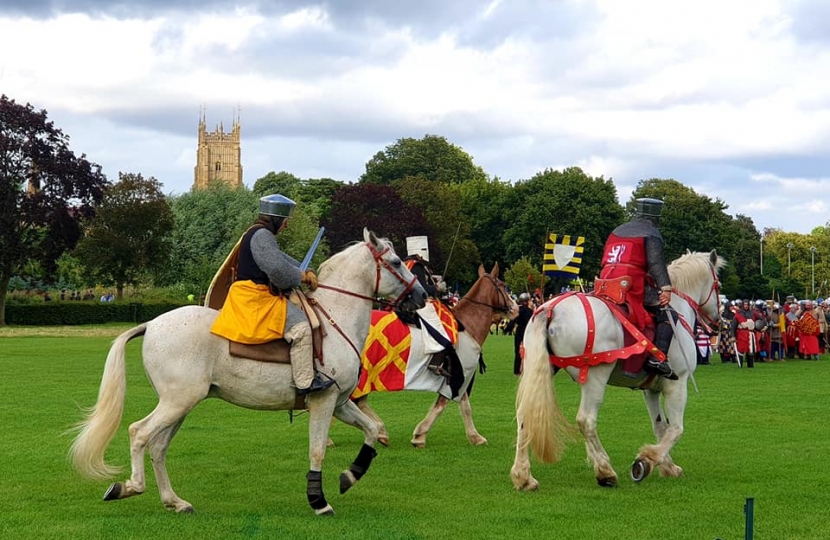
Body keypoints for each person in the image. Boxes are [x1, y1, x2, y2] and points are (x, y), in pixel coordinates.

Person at [210, 194, 334, 395]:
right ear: (275, 219)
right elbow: (278, 271)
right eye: (284, 221)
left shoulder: (257, 234)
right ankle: (304, 383)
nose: (285, 226)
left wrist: (307, 270)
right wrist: (301, 277)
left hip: (255, 295)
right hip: (254, 298)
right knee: (301, 328)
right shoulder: (262, 235)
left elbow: (282, 260)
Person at [598, 197, 676, 378]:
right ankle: (657, 359)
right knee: (668, 314)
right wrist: (665, 287)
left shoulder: (617, 230)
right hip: (630, 282)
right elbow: (655, 263)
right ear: (656, 216)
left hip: (606, 280)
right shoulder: (651, 233)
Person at [513, 292, 533, 375]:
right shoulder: (527, 311)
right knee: (526, 350)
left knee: (518, 350)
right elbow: (530, 321)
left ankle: (517, 369)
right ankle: (524, 369)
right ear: (526, 301)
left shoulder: (518, 310)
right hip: (526, 331)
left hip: (519, 331)